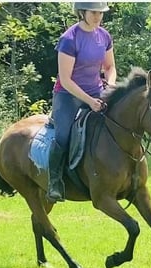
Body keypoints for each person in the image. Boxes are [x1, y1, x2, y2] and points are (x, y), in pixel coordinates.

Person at [47, 2, 117, 203]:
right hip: (68, 95)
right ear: (81, 12)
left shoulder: (104, 36)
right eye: (93, 12)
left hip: (97, 91)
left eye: (100, 13)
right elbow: (66, 79)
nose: (98, 17)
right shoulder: (69, 39)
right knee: (62, 135)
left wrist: (110, 87)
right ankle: (55, 183)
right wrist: (90, 101)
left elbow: (110, 66)